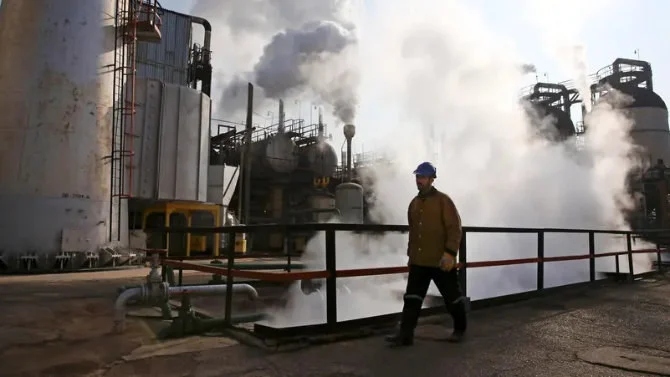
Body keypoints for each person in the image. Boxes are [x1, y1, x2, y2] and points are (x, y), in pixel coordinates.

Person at [385, 161, 468, 347]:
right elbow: (413, 233)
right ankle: (405, 336)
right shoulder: (413, 204)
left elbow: (454, 228)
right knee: (412, 299)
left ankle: (460, 329)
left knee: (452, 298)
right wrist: (410, 257)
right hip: (419, 261)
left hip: (440, 260)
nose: (419, 180)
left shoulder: (443, 201)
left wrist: (450, 253)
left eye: (422, 177)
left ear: (432, 179)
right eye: (417, 177)